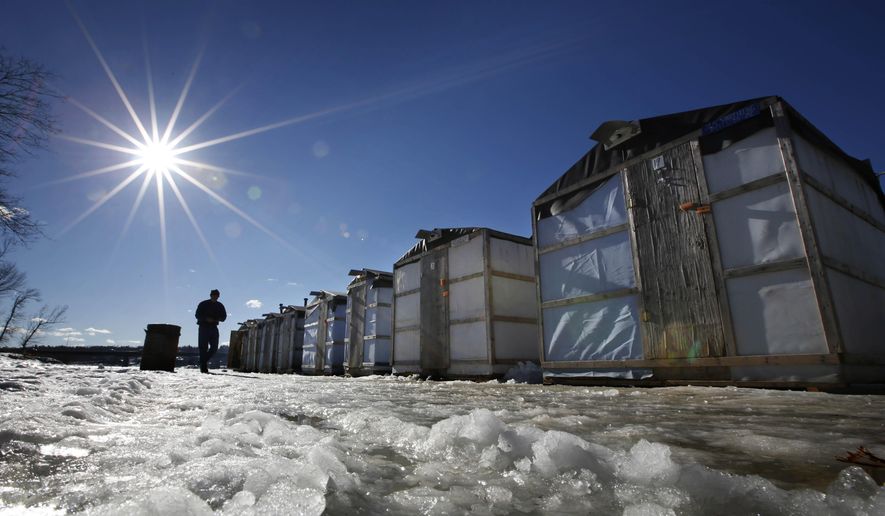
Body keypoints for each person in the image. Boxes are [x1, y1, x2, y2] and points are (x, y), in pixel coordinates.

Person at [195, 289, 227, 373]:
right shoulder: (203, 304)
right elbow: (197, 315)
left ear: (218, 296)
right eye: (214, 295)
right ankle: (203, 368)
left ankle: (202, 361)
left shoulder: (220, 305)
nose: (215, 296)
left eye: (216, 295)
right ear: (211, 295)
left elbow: (224, 317)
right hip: (203, 327)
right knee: (203, 348)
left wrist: (216, 319)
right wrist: (206, 318)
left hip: (213, 327)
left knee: (214, 348)